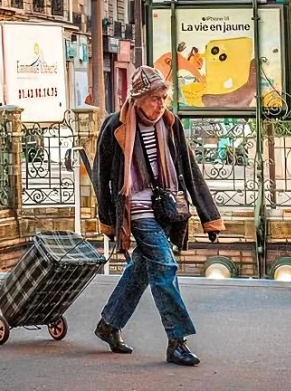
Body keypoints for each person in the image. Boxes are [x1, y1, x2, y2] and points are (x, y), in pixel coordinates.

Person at [93, 65, 224, 368]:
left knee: (142, 268)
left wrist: (209, 217)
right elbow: (101, 176)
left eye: (164, 98)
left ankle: (109, 324)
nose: (160, 105)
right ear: (138, 98)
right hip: (135, 210)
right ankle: (177, 341)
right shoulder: (116, 126)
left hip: (165, 209)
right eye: (154, 99)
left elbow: (189, 170)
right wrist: (108, 221)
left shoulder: (170, 124)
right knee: (165, 265)